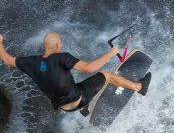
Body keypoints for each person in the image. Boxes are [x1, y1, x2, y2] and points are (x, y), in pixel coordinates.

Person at [0, 32, 151, 116]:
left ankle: (83, 110)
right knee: (106, 75)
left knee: (68, 84)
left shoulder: (31, 62)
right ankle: (139, 87)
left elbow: (7, 59)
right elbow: (89, 68)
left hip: (63, 108)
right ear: (58, 45)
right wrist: (111, 52)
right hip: (79, 98)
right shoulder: (61, 57)